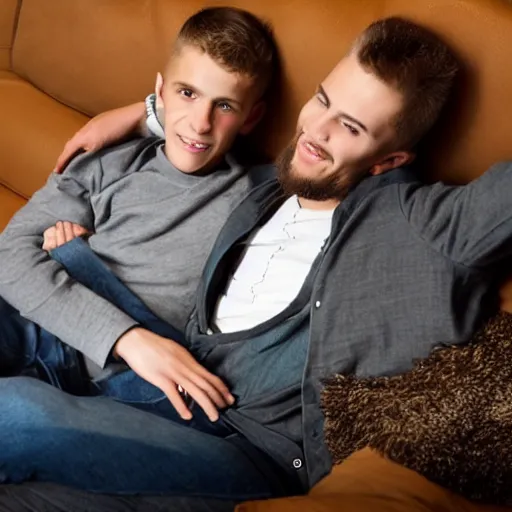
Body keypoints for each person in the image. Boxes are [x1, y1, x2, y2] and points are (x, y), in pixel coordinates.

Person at [1, 14, 490, 504]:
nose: (314, 132)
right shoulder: (145, 163)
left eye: (349, 125)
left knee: (15, 416)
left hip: (206, 420)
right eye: (321, 100)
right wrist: (148, 112)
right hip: (91, 353)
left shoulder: (333, 207)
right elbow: (12, 258)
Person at [0, 6, 278, 426]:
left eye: (224, 105)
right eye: (187, 93)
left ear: (251, 117)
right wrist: (123, 337)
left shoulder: (259, 192)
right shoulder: (107, 161)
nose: (201, 123)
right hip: (35, 327)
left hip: (122, 386)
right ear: (160, 91)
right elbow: (10, 257)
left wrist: (147, 115)